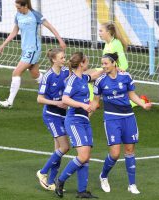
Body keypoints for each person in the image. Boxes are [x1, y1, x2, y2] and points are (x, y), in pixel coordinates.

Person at [91, 53, 152, 194]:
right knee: (115, 154)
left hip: (128, 117)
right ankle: (103, 176)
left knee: (130, 151)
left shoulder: (126, 77)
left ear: (114, 63)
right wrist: (87, 115)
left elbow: (132, 95)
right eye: (102, 64)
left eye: (106, 63)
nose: (104, 66)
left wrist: (143, 105)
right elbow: (95, 101)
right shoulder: (100, 81)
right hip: (112, 118)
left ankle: (132, 185)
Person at [0, 0, 66, 108]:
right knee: (35, 74)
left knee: (16, 72)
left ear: (25, 6)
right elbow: (14, 31)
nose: (17, 9)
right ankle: (58, 90)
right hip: (25, 49)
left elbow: (50, 27)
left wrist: (60, 40)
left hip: (33, 49)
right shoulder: (18, 15)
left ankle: (9, 102)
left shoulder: (35, 15)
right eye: (16, 7)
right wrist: (3, 44)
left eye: (19, 7)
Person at [54, 52, 103, 199]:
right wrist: (83, 104)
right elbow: (65, 99)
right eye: (86, 61)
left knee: (86, 157)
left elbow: (94, 75)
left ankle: (82, 191)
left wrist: (110, 68)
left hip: (84, 121)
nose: (88, 63)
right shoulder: (72, 80)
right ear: (81, 63)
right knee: (83, 155)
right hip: (74, 120)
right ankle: (60, 180)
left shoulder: (83, 78)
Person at [36, 48, 70, 191]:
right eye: (61, 58)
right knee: (64, 147)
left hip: (63, 114)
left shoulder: (65, 72)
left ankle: (51, 182)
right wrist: (57, 103)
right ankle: (42, 172)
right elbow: (39, 99)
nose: (64, 59)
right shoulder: (47, 77)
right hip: (51, 115)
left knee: (58, 149)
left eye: (64, 57)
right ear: (54, 60)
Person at [88, 21, 129, 102]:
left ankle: (93, 100)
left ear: (108, 32)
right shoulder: (107, 44)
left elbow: (124, 63)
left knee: (85, 77)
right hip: (105, 70)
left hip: (112, 72)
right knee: (84, 76)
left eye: (101, 31)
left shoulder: (116, 43)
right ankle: (92, 98)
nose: (99, 33)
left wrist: (120, 70)